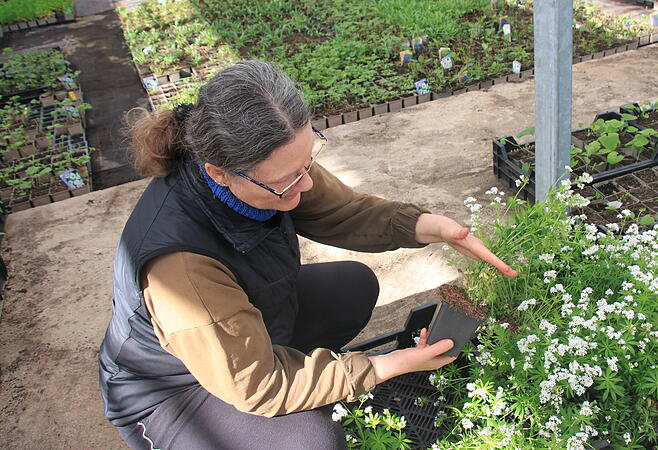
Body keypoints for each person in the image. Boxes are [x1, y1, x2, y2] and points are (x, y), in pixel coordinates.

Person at [98, 60, 516, 450]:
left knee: (353, 286)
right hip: (171, 388)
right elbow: (258, 386)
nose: (305, 186)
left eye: (307, 162)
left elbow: (345, 212)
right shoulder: (180, 266)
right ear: (219, 173)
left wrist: (434, 228)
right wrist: (381, 367)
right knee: (312, 438)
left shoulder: (270, 164)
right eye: (286, 180)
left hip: (241, 321)